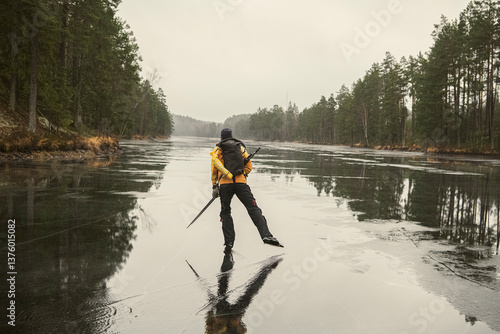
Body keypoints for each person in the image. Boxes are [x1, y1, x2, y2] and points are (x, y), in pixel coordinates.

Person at [210, 128, 282, 252]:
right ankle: (266, 235)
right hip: (241, 183)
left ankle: (229, 242)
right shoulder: (240, 148)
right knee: (253, 208)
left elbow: (214, 169)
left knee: (225, 211)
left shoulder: (218, 149)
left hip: (225, 185)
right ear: (232, 136)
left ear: (221, 138)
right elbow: (249, 166)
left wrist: (215, 186)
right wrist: (242, 174)